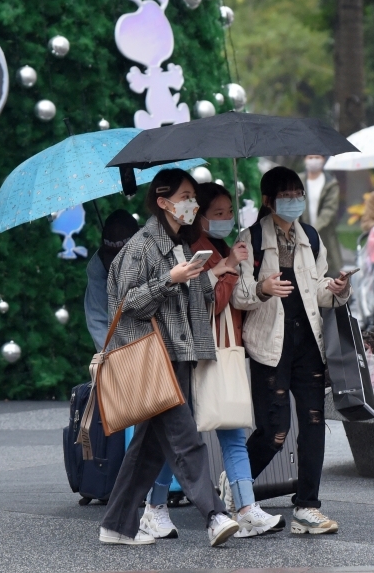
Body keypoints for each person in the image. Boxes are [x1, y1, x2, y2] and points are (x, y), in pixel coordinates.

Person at [99, 169, 240, 548]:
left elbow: (193, 303)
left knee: (146, 450)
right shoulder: (142, 246)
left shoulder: (182, 243)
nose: (192, 204)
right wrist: (169, 280)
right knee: (185, 438)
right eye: (185, 196)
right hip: (151, 358)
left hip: (177, 355)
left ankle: (116, 525)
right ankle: (215, 514)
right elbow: (126, 303)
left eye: (194, 196)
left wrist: (212, 276)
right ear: (163, 202)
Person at [140, 183, 285, 540]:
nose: (225, 219)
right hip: (199, 353)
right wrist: (228, 267)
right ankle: (154, 507)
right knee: (181, 436)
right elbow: (208, 304)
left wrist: (246, 274)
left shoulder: (221, 246)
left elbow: (237, 301)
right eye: (216, 213)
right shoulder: (193, 250)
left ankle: (247, 508)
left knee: (232, 431)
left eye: (228, 213)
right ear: (201, 216)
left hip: (224, 351)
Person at [231, 167, 353, 535]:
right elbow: (238, 295)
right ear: (269, 200)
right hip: (269, 345)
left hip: (307, 343)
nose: (294, 199)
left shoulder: (311, 238)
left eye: (298, 193)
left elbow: (318, 292)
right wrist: (264, 288)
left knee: (315, 423)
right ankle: (235, 484)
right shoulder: (249, 238)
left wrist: (337, 288)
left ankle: (307, 508)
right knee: (275, 430)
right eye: (286, 194)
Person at [84, 209, 140, 351]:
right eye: (114, 259)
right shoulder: (98, 266)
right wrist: (111, 356)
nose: (118, 266)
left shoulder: (154, 250)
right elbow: (96, 317)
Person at [299, 155, 344, 277]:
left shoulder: (331, 183)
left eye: (317, 157)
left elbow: (329, 210)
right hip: (301, 235)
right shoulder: (298, 181)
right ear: (305, 159)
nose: (314, 160)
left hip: (325, 236)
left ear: (323, 159)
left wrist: (313, 230)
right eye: (310, 157)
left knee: (328, 275)